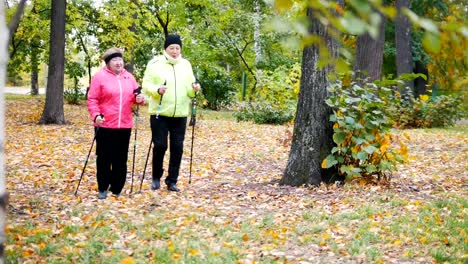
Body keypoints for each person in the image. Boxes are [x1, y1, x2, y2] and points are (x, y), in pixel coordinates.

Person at [142, 34, 200, 192]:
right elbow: (146, 85)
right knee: (160, 146)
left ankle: (172, 180)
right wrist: (157, 90)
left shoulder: (186, 64)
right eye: (171, 48)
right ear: (165, 49)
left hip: (180, 113)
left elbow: (190, 89)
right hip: (160, 113)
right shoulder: (155, 64)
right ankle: (156, 177)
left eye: (177, 48)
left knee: (177, 148)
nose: (174, 51)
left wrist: (194, 89)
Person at [87, 47, 144, 199]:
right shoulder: (99, 77)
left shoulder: (129, 77)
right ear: (108, 63)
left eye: (120, 60)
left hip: (124, 125)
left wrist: (140, 99)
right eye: (114, 60)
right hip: (105, 124)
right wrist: (95, 115)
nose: (118, 63)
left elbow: (136, 96)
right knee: (104, 158)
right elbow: (92, 99)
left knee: (120, 158)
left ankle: (117, 188)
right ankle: (103, 187)